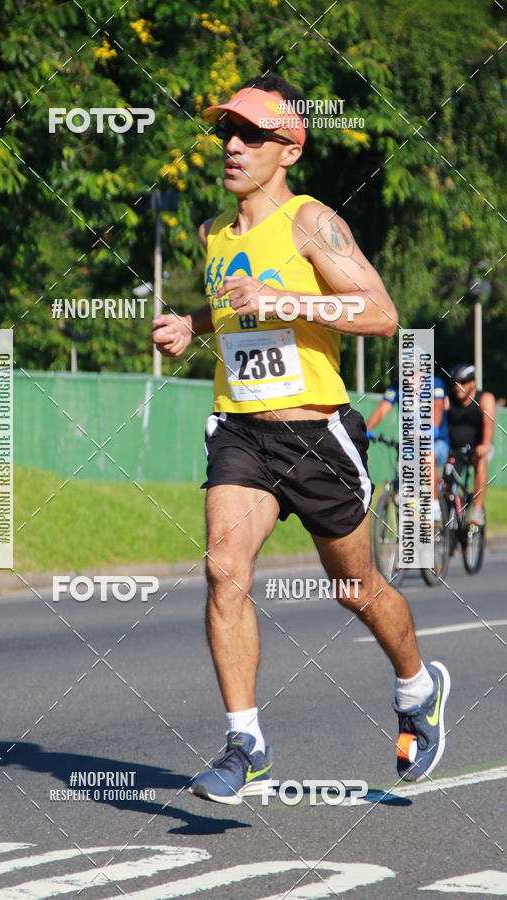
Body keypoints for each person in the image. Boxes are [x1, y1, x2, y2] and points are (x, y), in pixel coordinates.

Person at [151, 74, 450, 804]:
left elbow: (382, 312)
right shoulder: (214, 234)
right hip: (241, 431)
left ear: (287, 149)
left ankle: (417, 688)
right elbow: (233, 304)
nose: (232, 145)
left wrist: (285, 298)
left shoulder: (313, 222)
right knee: (224, 567)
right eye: (228, 130)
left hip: (316, 435)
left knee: (355, 588)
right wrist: (194, 325)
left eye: (251, 134)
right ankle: (244, 741)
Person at [366, 373, 450, 522]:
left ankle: (434, 507)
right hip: (412, 441)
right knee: (402, 467)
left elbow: (437, 407)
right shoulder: (397, 386)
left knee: (428, 456)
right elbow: (382, 410)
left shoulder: (435, 383)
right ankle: (407, 509)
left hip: (437, 441)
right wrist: (365, 429)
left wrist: (433, 429)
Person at [447, 363, 495, 526]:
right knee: (446, 482)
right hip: (454, 450)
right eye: (455, 382)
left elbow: (488, 423)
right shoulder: (449, 399)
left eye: (463, 382)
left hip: (477, 448)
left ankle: (477, 509)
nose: (458, 386)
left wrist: (485, 444)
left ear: (473, 382)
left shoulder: (484, 399)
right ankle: (449, 516)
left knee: (480, 461)